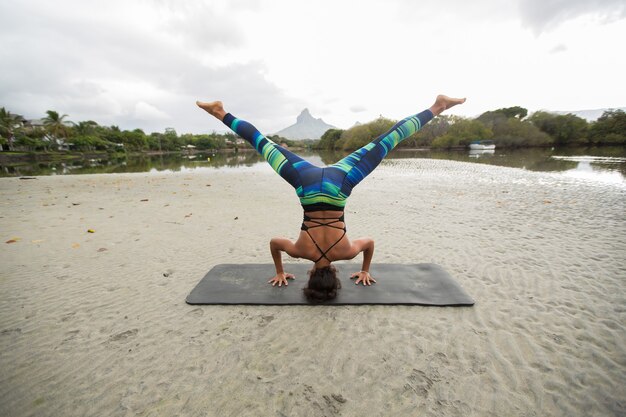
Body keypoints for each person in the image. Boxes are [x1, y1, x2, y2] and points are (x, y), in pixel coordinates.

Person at [197, 95, 465, 302]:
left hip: (340, 183)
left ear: (334, 275)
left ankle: (437, 106)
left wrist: (365, 269)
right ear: (310, 276)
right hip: (306, 182)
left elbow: (369, 244)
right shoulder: (300, 252)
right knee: (263, 143)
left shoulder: (345, 253)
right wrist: (279, 271)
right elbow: (274, 243)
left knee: (387, 141)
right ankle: (221, 112)